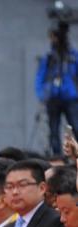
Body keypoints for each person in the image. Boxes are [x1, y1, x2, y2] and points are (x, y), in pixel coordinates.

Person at [35, 26, 78, 155]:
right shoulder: (48, 58)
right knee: (53, 130)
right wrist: (42, 94)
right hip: (53, 98)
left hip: (70, 97)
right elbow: (40, 78)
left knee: (75, 126)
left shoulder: (73, 56)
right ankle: (57, 155)